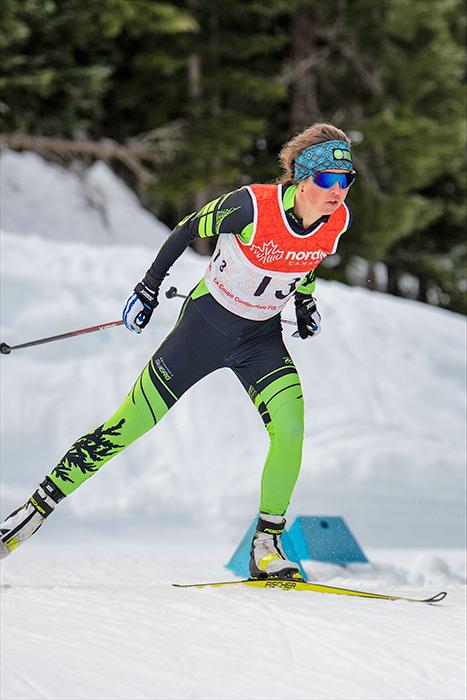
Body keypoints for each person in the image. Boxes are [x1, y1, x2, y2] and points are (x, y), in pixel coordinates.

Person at [0, 123, 355, 579]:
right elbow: (186, 230)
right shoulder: (250, 206)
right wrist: (148, 288)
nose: (337, 191)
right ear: (302, 178)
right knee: (125, 427)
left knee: (290, 429)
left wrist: (304, 301)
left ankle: (266, 546)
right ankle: (29, 515)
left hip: (261, 340)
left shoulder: (336, 221)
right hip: (204, 329)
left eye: (346, 181)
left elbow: (305, 261)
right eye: (328, 179)